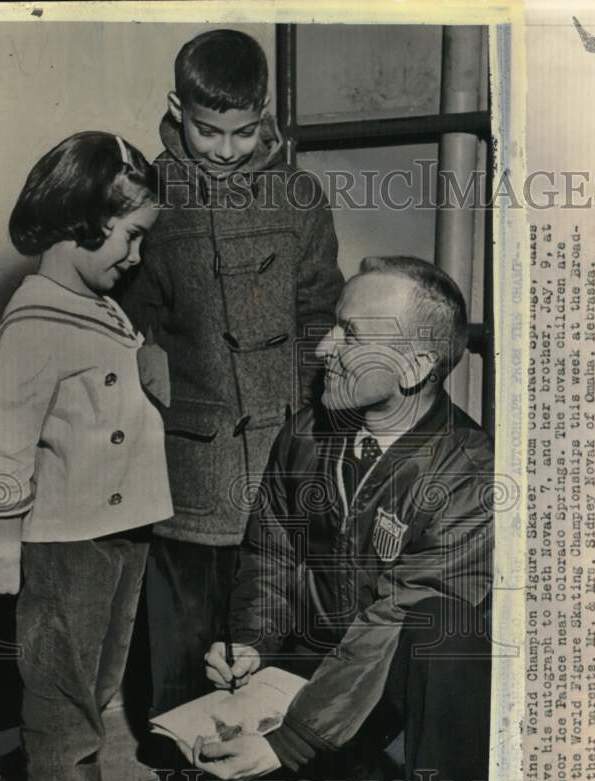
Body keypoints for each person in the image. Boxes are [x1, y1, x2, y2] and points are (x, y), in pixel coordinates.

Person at [161, 257, 494, 781]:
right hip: (332, 640)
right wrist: (249, 642)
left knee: (446, 635)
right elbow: (273, 549)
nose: (321, 350)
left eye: (348, 334)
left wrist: (289, 740)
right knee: (184, 754)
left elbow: (390, 622)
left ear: (412, 367)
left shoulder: (471, 470)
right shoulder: (309, 434)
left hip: (406, 654)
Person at [0, 132, 172, 781]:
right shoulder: (35, 322)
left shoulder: (96, 307)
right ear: (81, 222)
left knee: (93, 688)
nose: (135, 252)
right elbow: (5, 440)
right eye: (128, 234)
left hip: (122, 528)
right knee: (66, 699)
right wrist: (8, 549)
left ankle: (34, 756)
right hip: (64, 540)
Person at [120, 28, 343, 716]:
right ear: (176, 108)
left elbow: (320, 315)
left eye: (243, 132)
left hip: (281, 448)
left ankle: (268, 763)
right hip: (189, 456)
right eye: (207, 131)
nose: (225, 149)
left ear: (264, 115)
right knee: (185, 649)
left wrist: (318, 429)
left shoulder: (299, 198)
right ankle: (186, 771)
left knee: (275, 625)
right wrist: (143, 344)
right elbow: (127, 310)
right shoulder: (146, 196)